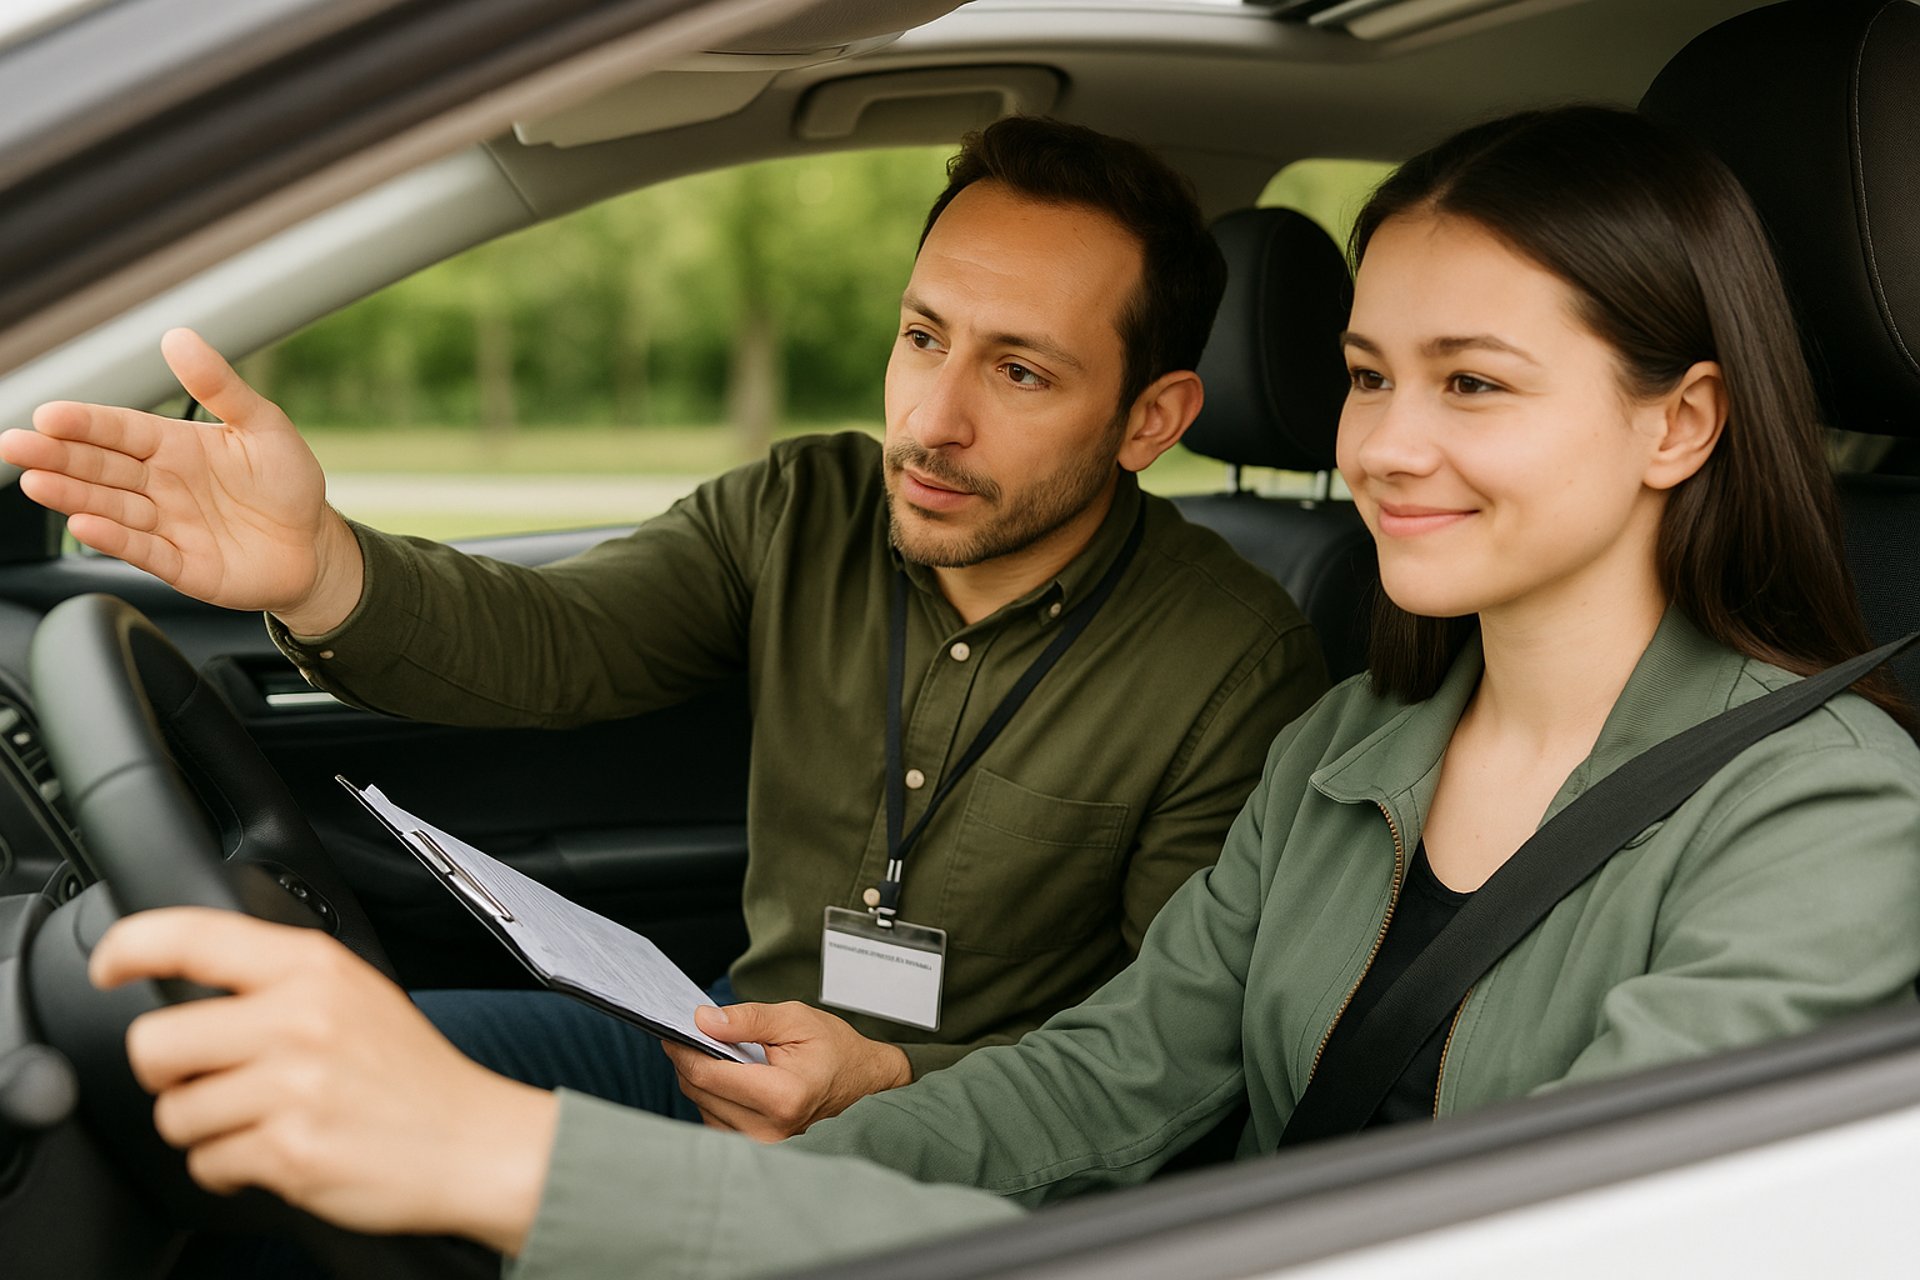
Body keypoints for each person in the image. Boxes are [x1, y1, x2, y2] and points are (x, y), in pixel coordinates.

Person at [80, 103, 1920, 1277]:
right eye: (1369, 375)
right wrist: (759, 1136)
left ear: (1682, 420)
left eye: (1476, 385)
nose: (1387, 447)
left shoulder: (1821, 819)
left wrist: (545, 1172)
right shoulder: (1366, 751)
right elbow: (1115, 1081)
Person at [0, 116, 1329, 1138]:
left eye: (1020, 371)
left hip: (968, 1165)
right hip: (720, 1059)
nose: (932, 421)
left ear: (1152, 420)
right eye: (925, 338)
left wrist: (897, 1077)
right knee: (266, 1085)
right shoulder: (803, 508)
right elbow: (552, 639)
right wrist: (320, 567)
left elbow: (1180, 1051)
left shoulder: (1231, 662)